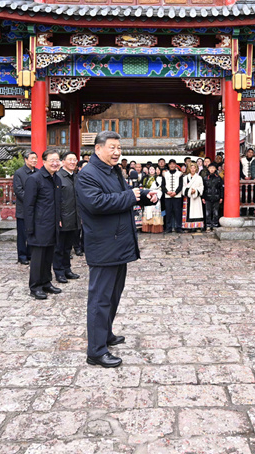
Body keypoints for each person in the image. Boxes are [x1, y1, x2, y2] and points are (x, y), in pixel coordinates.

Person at [76, 131, 159, 368]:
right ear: (98, 149)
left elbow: (125, 195)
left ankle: (106, 334)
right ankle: (96, 351)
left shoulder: (114, 171)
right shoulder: (87, 175)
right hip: (103, 245)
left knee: (113, 295)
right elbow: (97, 203)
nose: (117, 152)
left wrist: (145, 196)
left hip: (119, 243)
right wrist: (130, 196)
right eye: (112, 147)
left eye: (119, 148)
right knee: (100, 299)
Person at [25, 150, 63, 299]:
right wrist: (29, 228)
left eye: (57, 160)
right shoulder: (34, 179)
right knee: (38, 259)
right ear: (44, 161)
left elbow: (58, 203)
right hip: (39, 226)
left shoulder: (57, 179)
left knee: (48, 257)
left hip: (52, 225)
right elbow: (29, 206)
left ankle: (46, 282)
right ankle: (35, 287)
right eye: (52, 160)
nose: (55, 163)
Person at [54, 152, 81, 284]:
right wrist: (57, 217)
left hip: (74, 217)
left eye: (74, 160)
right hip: (63, 218)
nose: (72, 162)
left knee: (68, 247)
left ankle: (67, 270)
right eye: (69, 160)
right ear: (62, 162)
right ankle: (59, 272)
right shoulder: (58, 177)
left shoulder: (76, 177)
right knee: (59, 247)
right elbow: (55, 200)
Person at [12, 151, 37, 265]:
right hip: (23, 209)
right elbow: (18, 190)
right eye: (32, 158)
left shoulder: (38, 172)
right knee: (22, 234)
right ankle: (22, 256)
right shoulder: (19, 173)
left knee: (33, 233)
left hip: (36, 209)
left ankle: (31, 254)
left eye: (35, 158)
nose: (34, 160)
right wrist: (30, 200)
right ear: (26, 160)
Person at [140, 164, 164, 233]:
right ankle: (147, 227)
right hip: (147, 194)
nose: (151, 171)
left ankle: (155, 228)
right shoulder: (145, 178)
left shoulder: (159, 178)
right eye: (150, 169)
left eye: (153, 169)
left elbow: (160, 188)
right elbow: (143, 187)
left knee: (155, 211)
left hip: (155, 194)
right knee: (147, 210)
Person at [162, 159, 183, 233]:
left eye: (173, 164)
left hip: (177, 196)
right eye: (170, 164)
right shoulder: (165, 174)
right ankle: (168, 228)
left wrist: (175, 192)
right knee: (168, 212)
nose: (172, 165)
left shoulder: (180, 174)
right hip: (167, 196)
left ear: (176, 165)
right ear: (168, 165)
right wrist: (167, 192)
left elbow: (181, 185)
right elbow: (163, 185)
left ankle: (178, 227)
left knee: (177, 212)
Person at [182, 162, 204, 232]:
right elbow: (183, 187)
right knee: (188, 212)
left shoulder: (199, 178)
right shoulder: (185, 178)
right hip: (188, 197)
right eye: (191, 168)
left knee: (197, 211)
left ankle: (198, 226)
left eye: (194, 168)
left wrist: (196, 191)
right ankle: (188, 227)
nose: (193, 169)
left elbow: (201, 187)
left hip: (196, 197)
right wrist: (189, 191)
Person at [202, 162, 223, 230]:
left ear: (215, 169)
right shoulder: (205, 178)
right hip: (207, 197)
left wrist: (221, 197)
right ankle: (208, 225)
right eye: (210, 168)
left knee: (215, 212)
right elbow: (203, 188)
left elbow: (221, 188)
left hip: (216, 197)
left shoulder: (218, 178)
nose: (211, 169)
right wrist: (203, 197)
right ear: (208, 169)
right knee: (208, 212)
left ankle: (215, 225)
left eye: (213, 168)